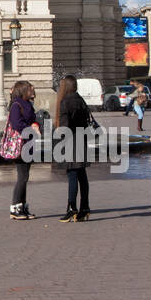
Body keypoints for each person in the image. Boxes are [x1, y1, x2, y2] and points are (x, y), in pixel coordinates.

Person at [54, 75, 92, 222]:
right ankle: (85, 208)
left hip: (71, 141)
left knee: (72, 175)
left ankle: (71, 208)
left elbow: (64, 127)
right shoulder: (80, 100)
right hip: (82, 140)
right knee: (82, 175)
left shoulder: (65, 102)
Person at [8, 80, 41, 220]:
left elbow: (32, 119)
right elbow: (16, 124)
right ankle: (15, 208)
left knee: (25, 176)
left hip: (28, 144)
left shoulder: (28, 104)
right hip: (21, 144)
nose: (32, 92)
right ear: (23, 91)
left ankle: (22, 206)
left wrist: (35, 124)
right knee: (22, 177)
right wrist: (30, 129)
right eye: (29, 90)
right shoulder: (16, 105)